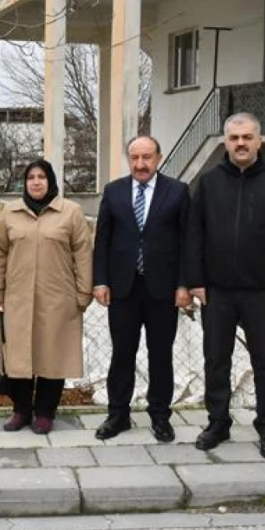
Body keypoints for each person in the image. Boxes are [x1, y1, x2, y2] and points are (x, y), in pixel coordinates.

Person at [188, 113, 265, 461]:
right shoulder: (208, 183)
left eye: (247, 137)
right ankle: (217, 423)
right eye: (234, 137)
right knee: (216, 361)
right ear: (225, 141)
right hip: (217, 291)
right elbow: (194, 235)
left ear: (258, 142)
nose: (240, 143)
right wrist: (196, 281)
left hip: (262, 292)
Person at [92, 136, 191, 443]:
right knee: (122, 353)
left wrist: (184, 285)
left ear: (158, 157)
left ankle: (160, 416)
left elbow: (189, 242)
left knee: (161, 354)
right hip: (123, 288)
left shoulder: (178, 192)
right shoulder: (114, 191)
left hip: (163, 289)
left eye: (147, 157)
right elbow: (103, 241)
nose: (140, 164)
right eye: (134, 157)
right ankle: (118, 415)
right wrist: (100, 280)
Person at [0, 159, 92, 434]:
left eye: (42, 177)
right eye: (31, 177)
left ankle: (45, 412)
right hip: (17, 298)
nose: (36, 182)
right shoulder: (10, 213)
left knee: (52, 354)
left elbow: (83, 254)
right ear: (24, 182)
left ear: (51, 181)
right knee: (19, 356)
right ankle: (21, 410)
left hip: (57, 298)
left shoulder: (70, 212)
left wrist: (84, 292)